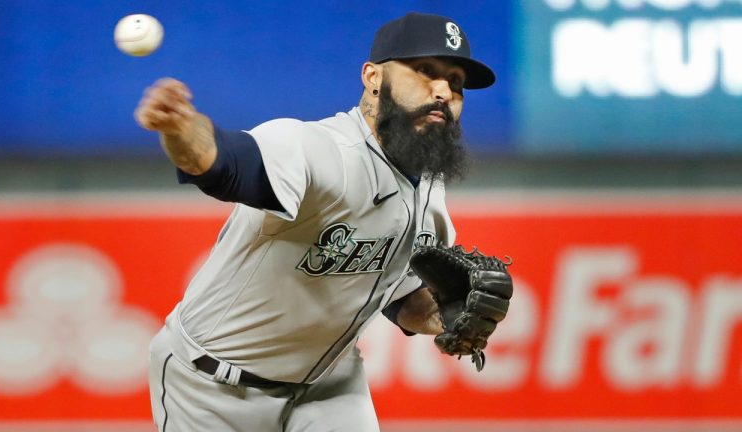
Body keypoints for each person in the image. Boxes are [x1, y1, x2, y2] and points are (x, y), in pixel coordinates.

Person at [136, 11, 498, 432]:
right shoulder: (318, 149)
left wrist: (445, 315)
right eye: (425, 70)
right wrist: (180, 129)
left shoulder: (428, 182)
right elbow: (223, 162)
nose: (442, 90)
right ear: (373, 77)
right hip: (211, 387)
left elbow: (400, 297)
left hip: (329, 386)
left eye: (456, 82)